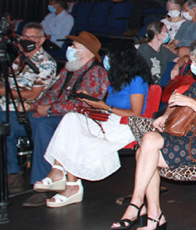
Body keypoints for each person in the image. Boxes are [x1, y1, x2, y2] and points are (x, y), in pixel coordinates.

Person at [111, 37, 196, 230]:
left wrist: (190, 102)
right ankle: (149, 212)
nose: (193, 66)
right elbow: (178, 104)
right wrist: (165, 116)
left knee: (145, 152)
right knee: (147, 145)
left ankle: (143, 209)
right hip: (189, 139)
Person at [35, 45, 151, 208]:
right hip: (109, 121)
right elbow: (105, 106)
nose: (107, 61)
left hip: (126, 126)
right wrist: (91, 100)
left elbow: (135, 113)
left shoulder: (137, 81)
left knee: (78, 134)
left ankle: (71, 186)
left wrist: (105, 107)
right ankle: (59, 169)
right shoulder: (117, 81)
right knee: (71, 119)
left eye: (110, 58)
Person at [22, 32, 109, 207]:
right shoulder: (69, 68)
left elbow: (83, 104)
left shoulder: (95, 73)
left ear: (86, 52)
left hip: (79, 119)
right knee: (13, 119)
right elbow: (53, 92)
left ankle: (46, 179)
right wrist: (35, 106)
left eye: (74, 47)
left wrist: (49, 110)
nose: (69, 50)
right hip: (58, 114)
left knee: (42, 124)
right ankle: (12, 174)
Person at [0, 23, 57, 198]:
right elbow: (9, 83)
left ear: (42, 40)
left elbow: (34, 94)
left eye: (32, 38)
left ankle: (40, 181)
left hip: (29, 111)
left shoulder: (45, 63)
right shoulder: (19, 59)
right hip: (8, 107)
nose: (27, 40)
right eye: (24, 37)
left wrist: (1, 91)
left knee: (3, 119)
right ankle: (9, 176)